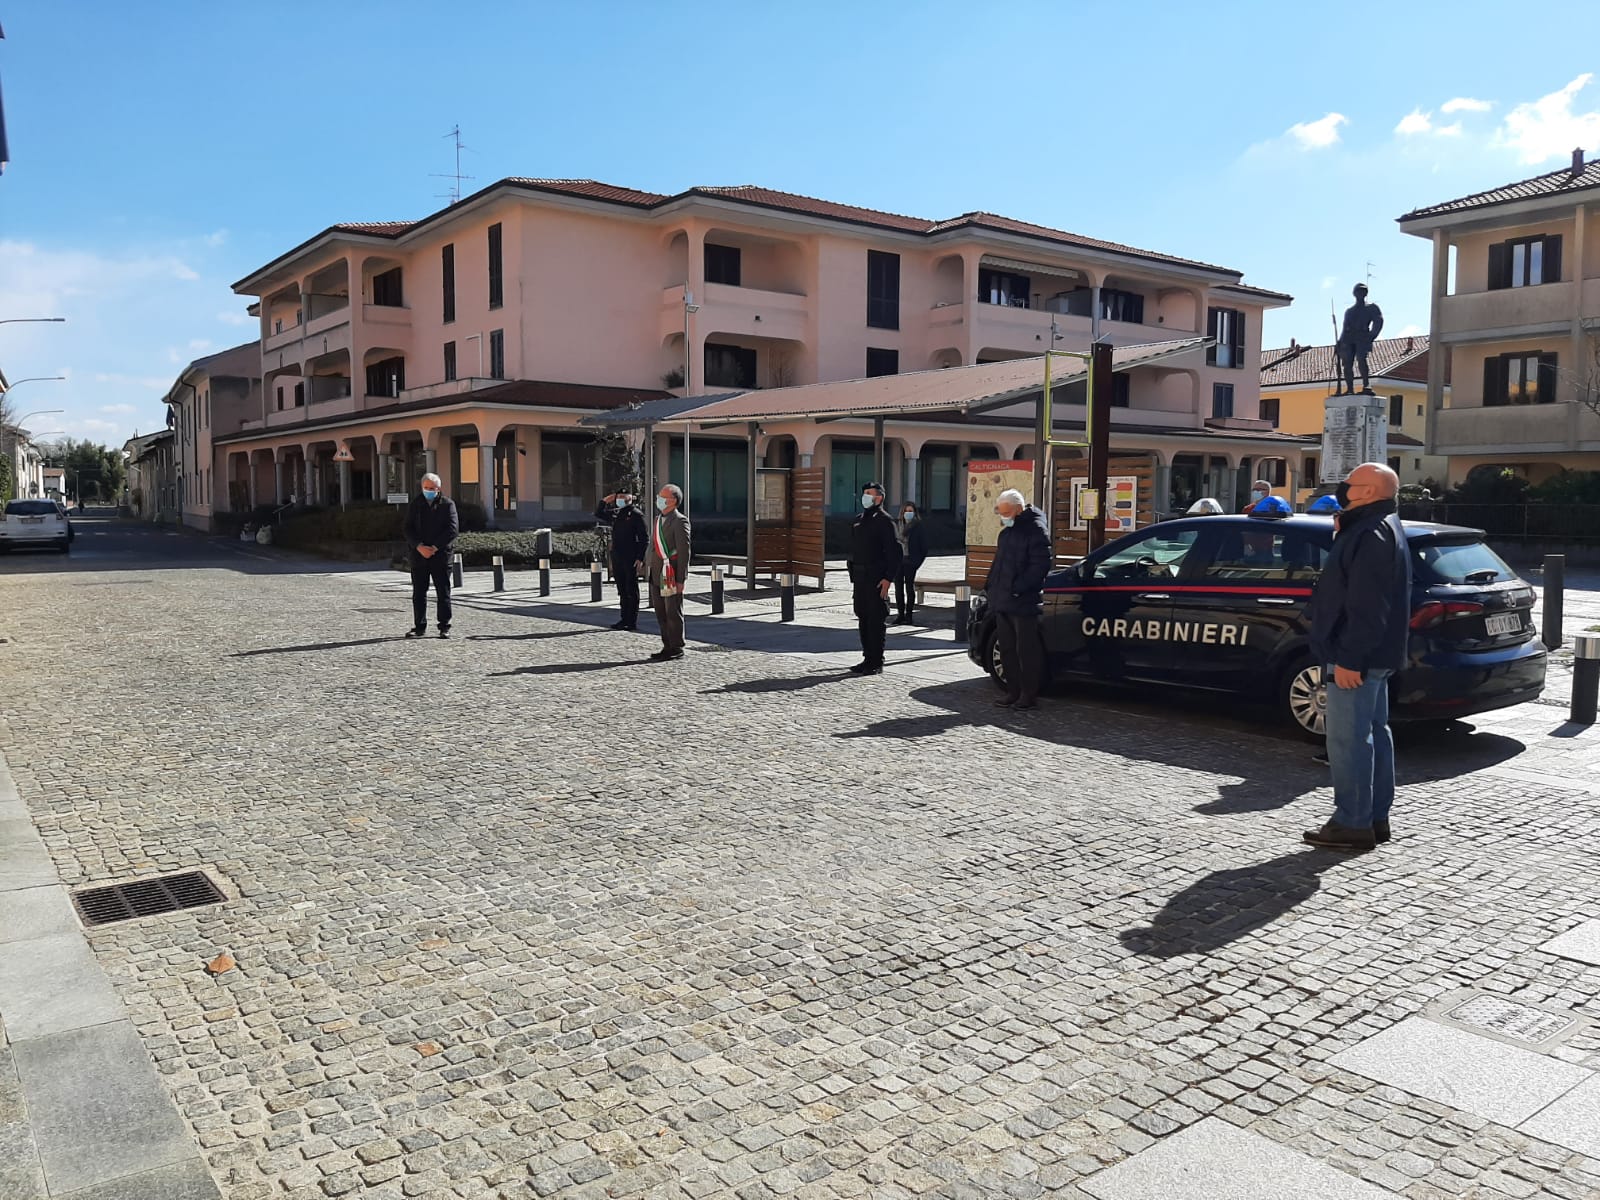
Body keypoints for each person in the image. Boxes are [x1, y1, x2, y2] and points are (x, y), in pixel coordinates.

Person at [1303, 462, 1410, 851]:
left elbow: (1367, 604)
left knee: (1349, 741)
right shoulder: (1379, 525)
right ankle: (1373, 817)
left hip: (1356, 655)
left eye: (1349, 483)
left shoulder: (1371, 532)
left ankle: (1352, 822)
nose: (1342, 487)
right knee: (1374, 733)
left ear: (1367, 492)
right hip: (1373, 653)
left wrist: (1350, 658)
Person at [984, 488, 1052, 710]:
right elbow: (999, 565)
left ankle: (1028, 695)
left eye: (1006, 513)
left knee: (1026, 651)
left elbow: (1040, 566)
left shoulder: (1035, 530)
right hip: (1003, 599)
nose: (1003, 517)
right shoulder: (1007, 534)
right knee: (1007, 650)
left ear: (1018, 509)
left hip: (1023, 601)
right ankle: (1012, 692)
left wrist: (1018, 588)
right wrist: (990, 587)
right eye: (1001, 512)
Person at [847, 482, 901, 675]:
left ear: (879, 498)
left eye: (869, 493)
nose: (866, 497)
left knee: (876, 619)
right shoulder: (859, 520)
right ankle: (867, 658)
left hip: (876, 578)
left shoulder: (885, 521)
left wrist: (888, 578)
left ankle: (876, 661)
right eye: (864, 493)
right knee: (863, 617)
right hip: (860, 578)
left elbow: (895, 552)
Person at [404, 472, 459, 639]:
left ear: (438, 489)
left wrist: (435, 547)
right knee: (419, 593)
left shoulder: (447, 504)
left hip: (441, 555)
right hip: (419, 555)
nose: (429, 491)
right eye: (426, 488)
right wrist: (418, 546)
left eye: (432, 488)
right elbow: (408, 528)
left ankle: (444, 626)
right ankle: (419, 626)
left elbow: (452, 529)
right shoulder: (416, 504)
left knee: (443, 592)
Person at [647, 483, 691, 661]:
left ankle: (676, 646)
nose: (659, 499)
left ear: (673, 500)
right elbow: (653, 545)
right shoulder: (658, 519)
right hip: (657, 572)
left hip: (671, 573)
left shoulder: (680, 521)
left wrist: (681, 579)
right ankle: (667, 645)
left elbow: (684, 551)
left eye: (662, 497)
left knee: (672, 611)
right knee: (661, 612)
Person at [595, 490, 648, 631]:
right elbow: (599, 513)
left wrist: (640, 558)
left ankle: (632, 621)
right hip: (617, 556)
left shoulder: (636, 514)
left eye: (624, 497)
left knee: (631, 589)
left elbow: (644, 538)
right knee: (622, 590)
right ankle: (624, 619)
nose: (621, 499)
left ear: (631, 498)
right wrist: (606, 500)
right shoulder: (617, 513)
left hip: (631, 557)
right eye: (619, 497)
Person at [1334, 283, 1385, 395]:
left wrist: (1371, 336)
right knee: (1347, 364)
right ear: (1354, 294)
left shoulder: (1371, 308)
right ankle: (1350, 388)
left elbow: (1378, 322)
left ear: (1366, 293)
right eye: (1358, 291)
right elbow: (1345, 328)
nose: (1360, 294)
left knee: (1362, 359)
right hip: (1349, 339)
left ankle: (1366, 384)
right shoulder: (1349, 311)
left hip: (1362, 337)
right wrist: (1340, 343)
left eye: (1363, 291)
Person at [891, 501, 928, 626]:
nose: (908, 513)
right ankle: (900, 614)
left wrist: (917, 562)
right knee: (898, 588)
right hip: (898, 560)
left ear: (914, 512)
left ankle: (909, 616)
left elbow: (924, 547)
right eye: (906, 511)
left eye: (910, 511)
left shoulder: (918, 526)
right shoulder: (897, 525)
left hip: (911, 561)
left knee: (909, 588)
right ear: (902, 512)